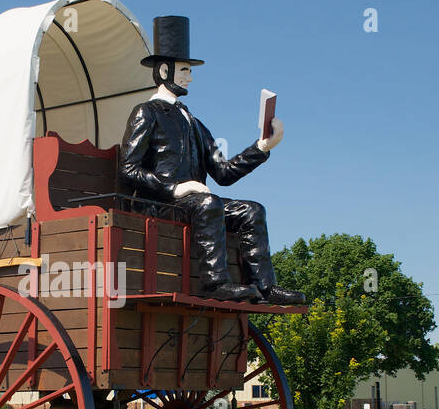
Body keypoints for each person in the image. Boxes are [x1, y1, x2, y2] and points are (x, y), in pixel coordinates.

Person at [118, 16, 305, 305]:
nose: (190, 77)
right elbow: (128, 169)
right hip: (159, 204)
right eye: (184, 70)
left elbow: (223, 172)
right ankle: (215, 283)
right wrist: (175, 189)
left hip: (195, 207)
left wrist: (263, 147)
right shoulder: (146, 113)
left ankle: (264, 286)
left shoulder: (193, 122)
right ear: (165, 70)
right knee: (209, 203)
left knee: (252, 210)